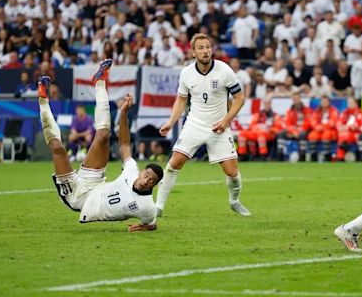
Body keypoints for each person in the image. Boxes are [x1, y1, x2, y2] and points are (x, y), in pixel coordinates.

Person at [38, 59, 163, 231]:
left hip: (77, 198)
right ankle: (100, 81)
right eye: (147, 174)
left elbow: (152, 224)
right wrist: (124, 113)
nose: (146, 180)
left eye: (151, 181)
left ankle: (43, 102)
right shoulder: (132, 170)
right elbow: (125, 144)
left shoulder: (147, 207)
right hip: (94, 183)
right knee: (103, 135)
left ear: (153, 186)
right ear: (142, 172)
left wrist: (144, 228)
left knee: (58, 148)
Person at [155, 33, 251, 217]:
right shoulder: (186, 73)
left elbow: (239, 98)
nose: (206, 51)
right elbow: (181, 101)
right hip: (195, 124)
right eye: (201, 48)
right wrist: (170, 122)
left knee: (232, 173)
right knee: (174, 163)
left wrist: (225, 121)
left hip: (219, 126)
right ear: (193, 52)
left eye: (208, 47)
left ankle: (234, 201)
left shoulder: (224, 70)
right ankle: (158, 207)